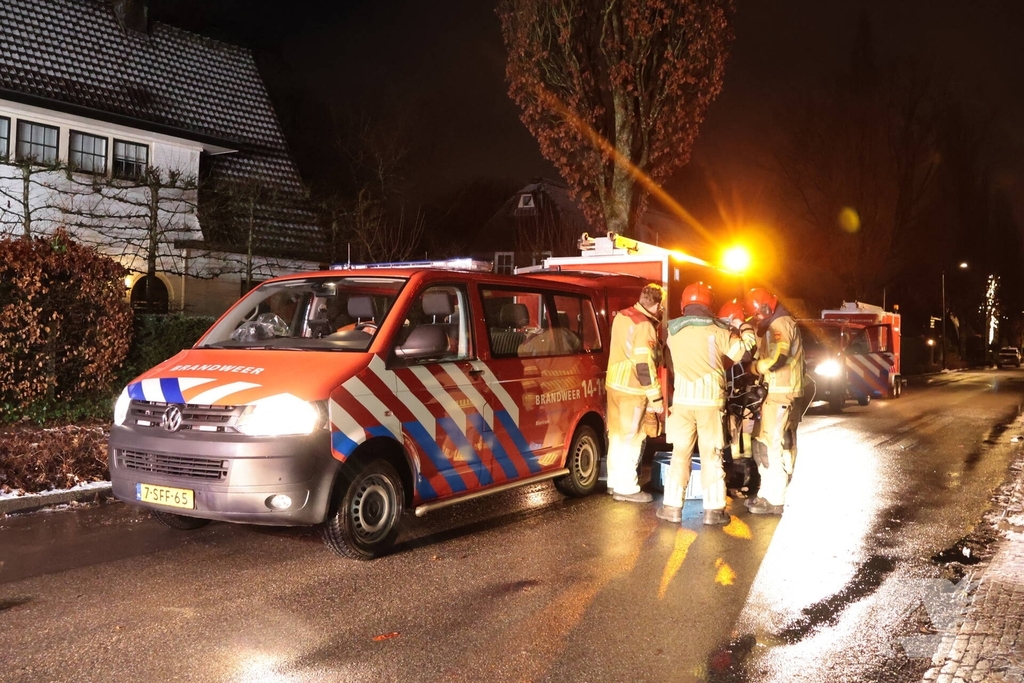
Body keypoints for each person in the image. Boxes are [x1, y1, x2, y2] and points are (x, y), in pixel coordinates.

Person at [657, 283, 756, 525]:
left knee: (680, 455)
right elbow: (745, 353)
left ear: (684, 304)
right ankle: (714, 511)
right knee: (711, 456)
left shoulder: (672, 331)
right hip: (710, 403)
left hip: (682, 403)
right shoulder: (718, 330)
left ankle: (671, 508)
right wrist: (743, 327)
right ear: (709, 305)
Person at [742, 287, 807, 515]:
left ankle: (775, 499)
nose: (758, 318)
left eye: (758, 314)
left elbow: (778, 358)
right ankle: (766, 493)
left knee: (771, 444)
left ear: (766, 307)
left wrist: (755, 367)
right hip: (775, 392)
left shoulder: (781, 324)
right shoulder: (774, 323)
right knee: (763, 442)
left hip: (781, 392)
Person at [605, 282, 665, 503]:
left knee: (616, 436)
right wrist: (655, 397)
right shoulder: (644, 325)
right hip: (632, 390)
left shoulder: (622, 316)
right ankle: (627, 488)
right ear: (657, 304)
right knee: (632, 438)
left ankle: (614, 482)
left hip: (614, 386)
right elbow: (644, 365)